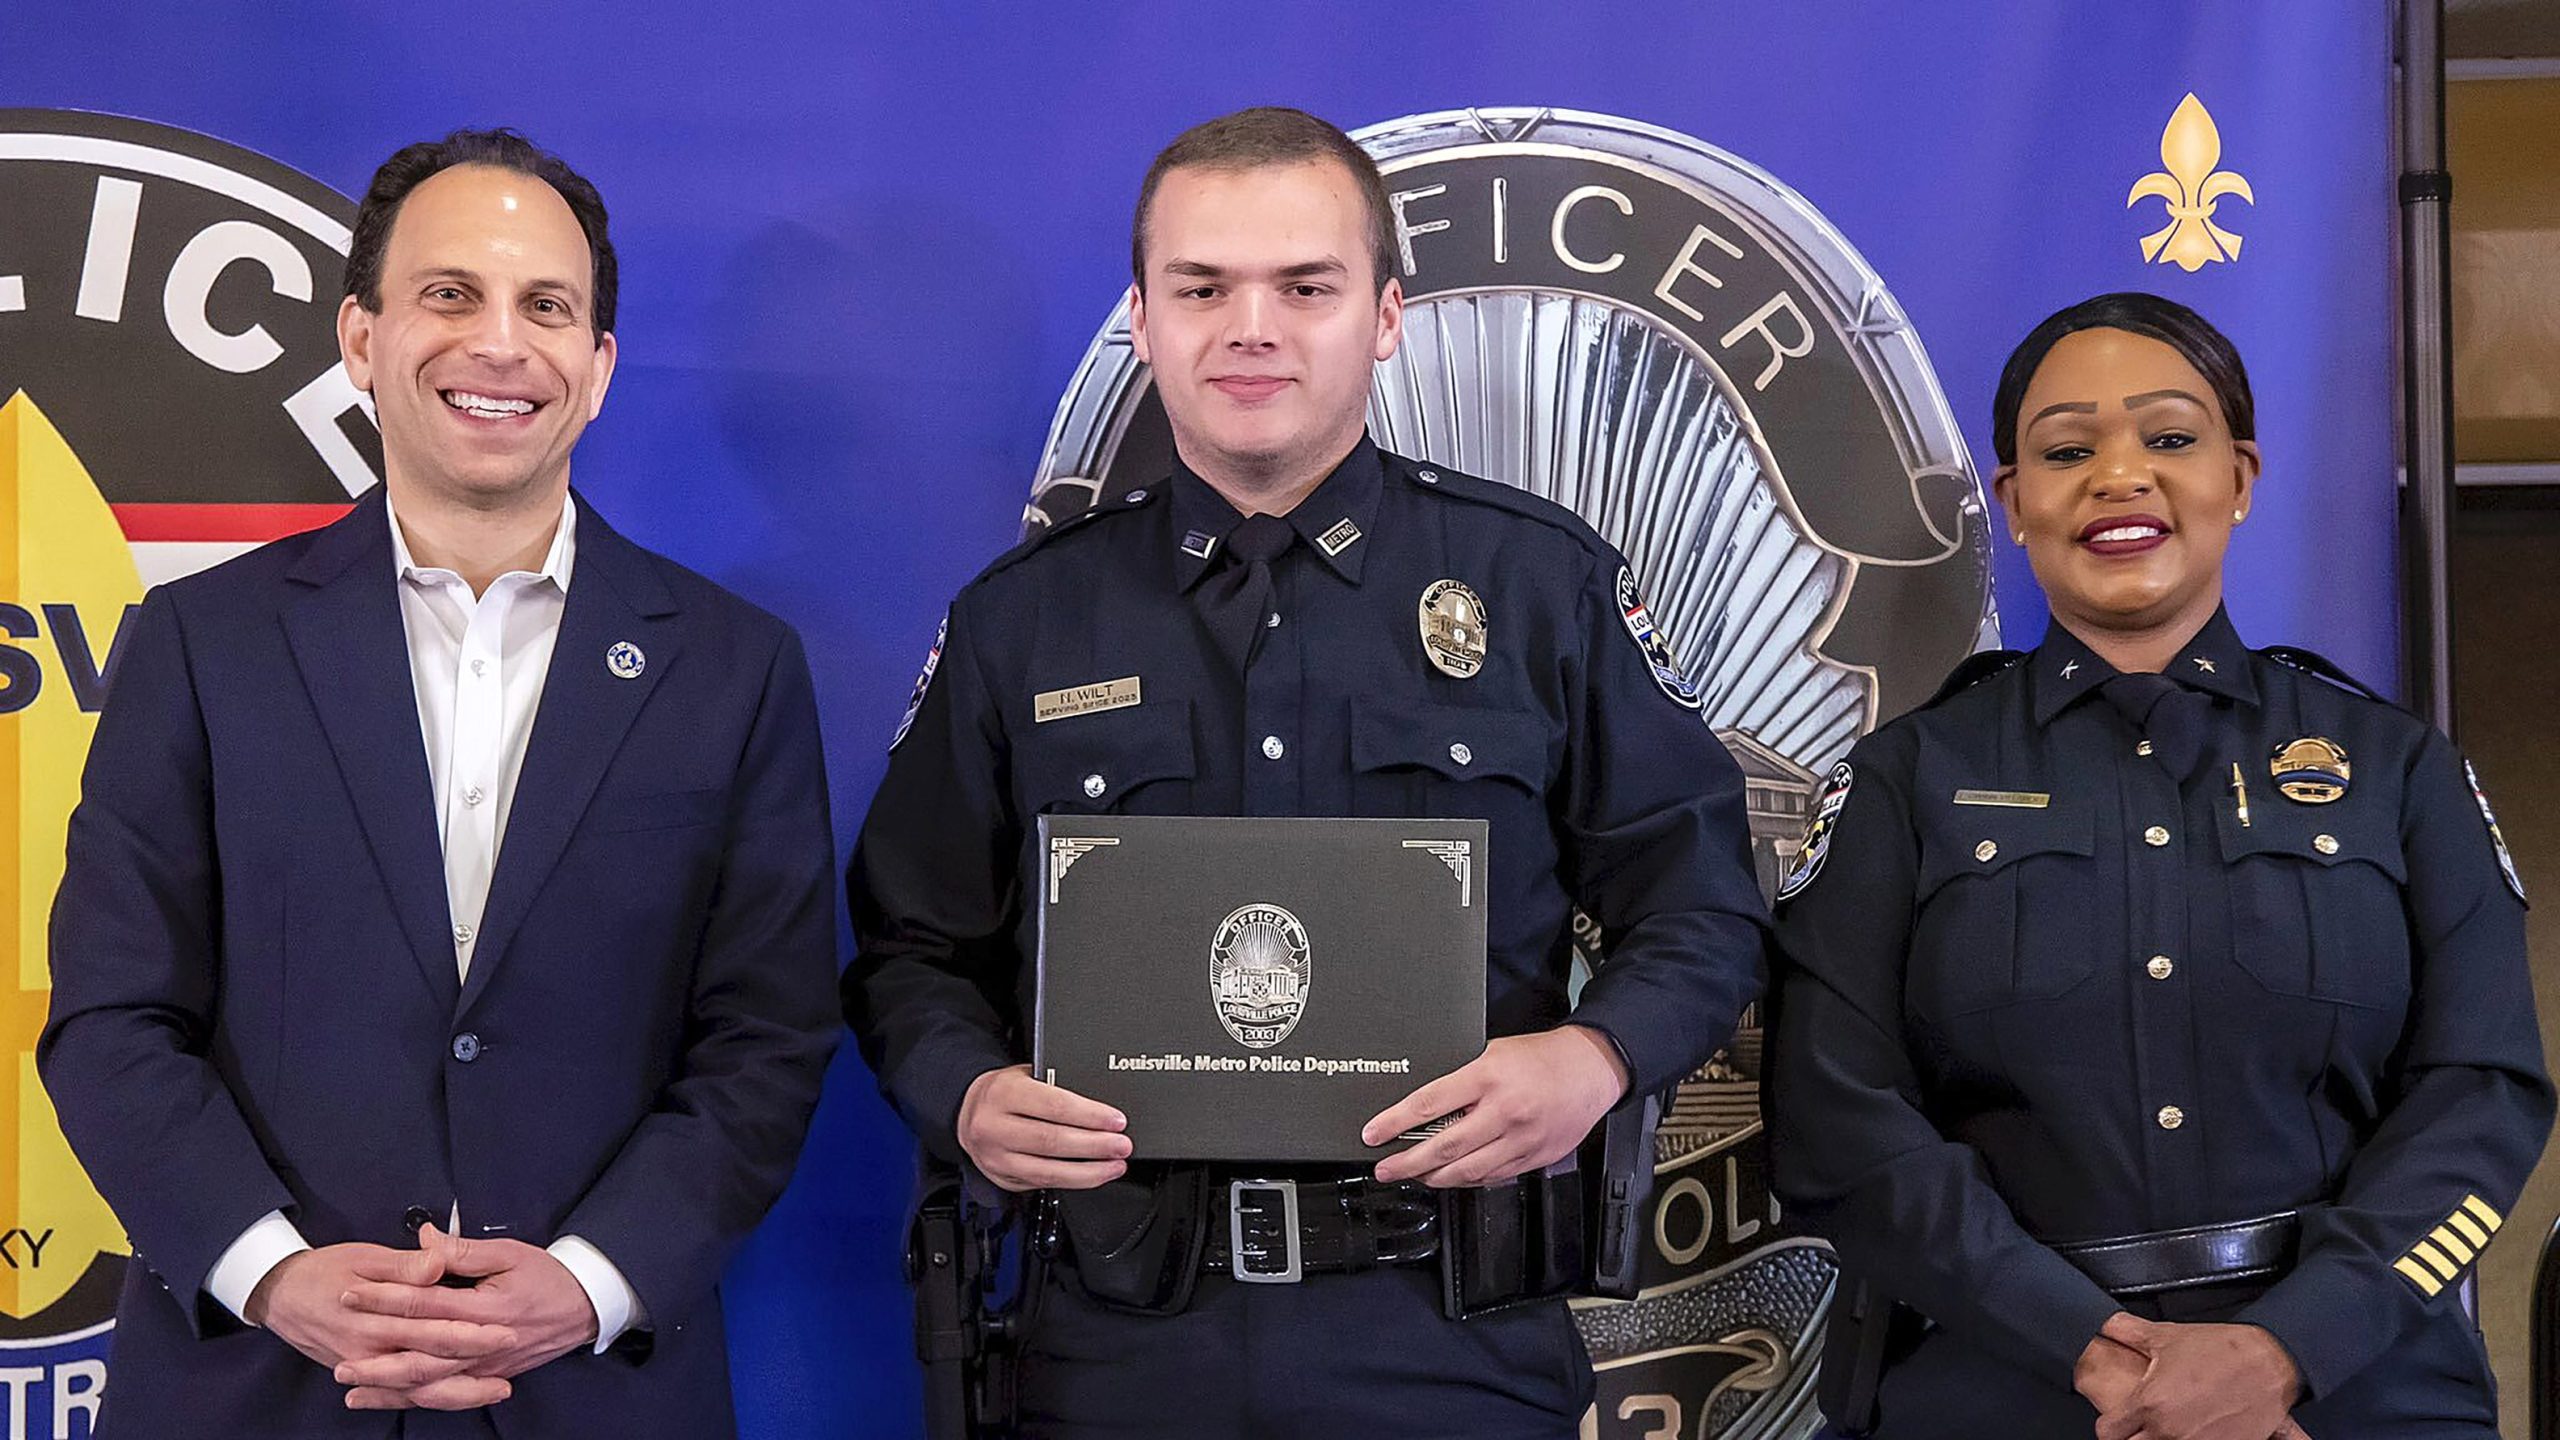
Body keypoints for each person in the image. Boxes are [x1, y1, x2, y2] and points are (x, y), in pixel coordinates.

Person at [845, 105, 1767, 1436]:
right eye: (1204, 287)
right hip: (1111, 1336)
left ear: (1386, 315)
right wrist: (969, 1094)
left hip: (1446, 1330)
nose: (1252, 326)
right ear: (1146, 320)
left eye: (1306, 286)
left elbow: (1703, 902)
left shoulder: (1540, 589)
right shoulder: (1023, 624)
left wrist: (1595, 1057)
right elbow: (909, 948)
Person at [41, 129, 839, 1437]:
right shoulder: (200, 644)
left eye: (547, 306)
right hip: (256, 1390)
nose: (499, 344)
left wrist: (585, 1286)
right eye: (449, 294)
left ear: (598, 369)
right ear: (361, 338)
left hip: (593, 1393)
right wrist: (273, 1272)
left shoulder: (737, 671)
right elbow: (113, 1020)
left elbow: (766, 1043)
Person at [1767, 291, 2552, 1439]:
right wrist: (2085, 1349)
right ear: (2015, 502)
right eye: (2066, 449)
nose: (2118, 475)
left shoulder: (2399, 770)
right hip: (2005, 1383)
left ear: (2239, 476)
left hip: (2355, 1385)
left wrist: (2289, 1349)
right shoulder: (1904, 780)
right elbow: (1837, 1117)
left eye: (2170, 439)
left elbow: (2481, 1093)